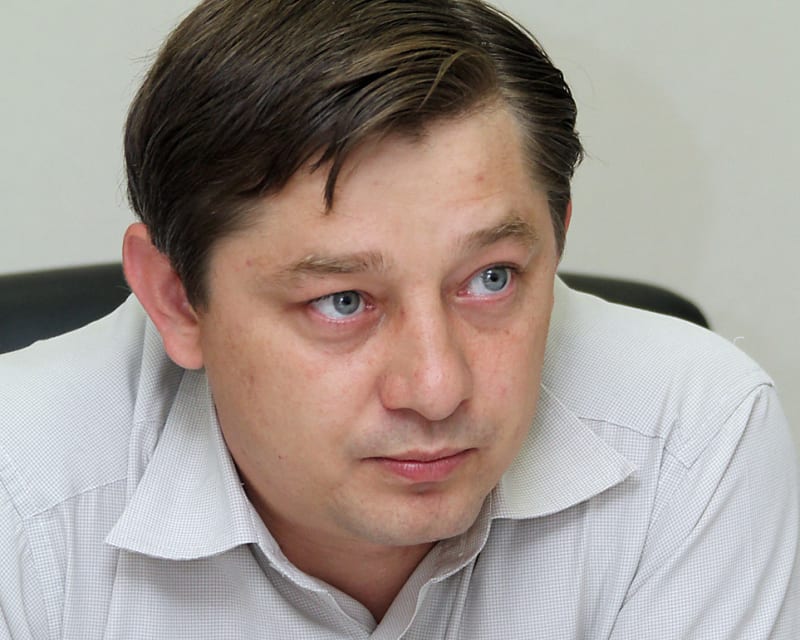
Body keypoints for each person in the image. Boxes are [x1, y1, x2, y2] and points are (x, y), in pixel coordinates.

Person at [0, 0, 797, 637]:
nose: (437, 388)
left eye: (490, 279)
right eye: (342, 301)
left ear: (555, 241)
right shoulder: (21, 493)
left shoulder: (690, 435)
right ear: (178, 300)